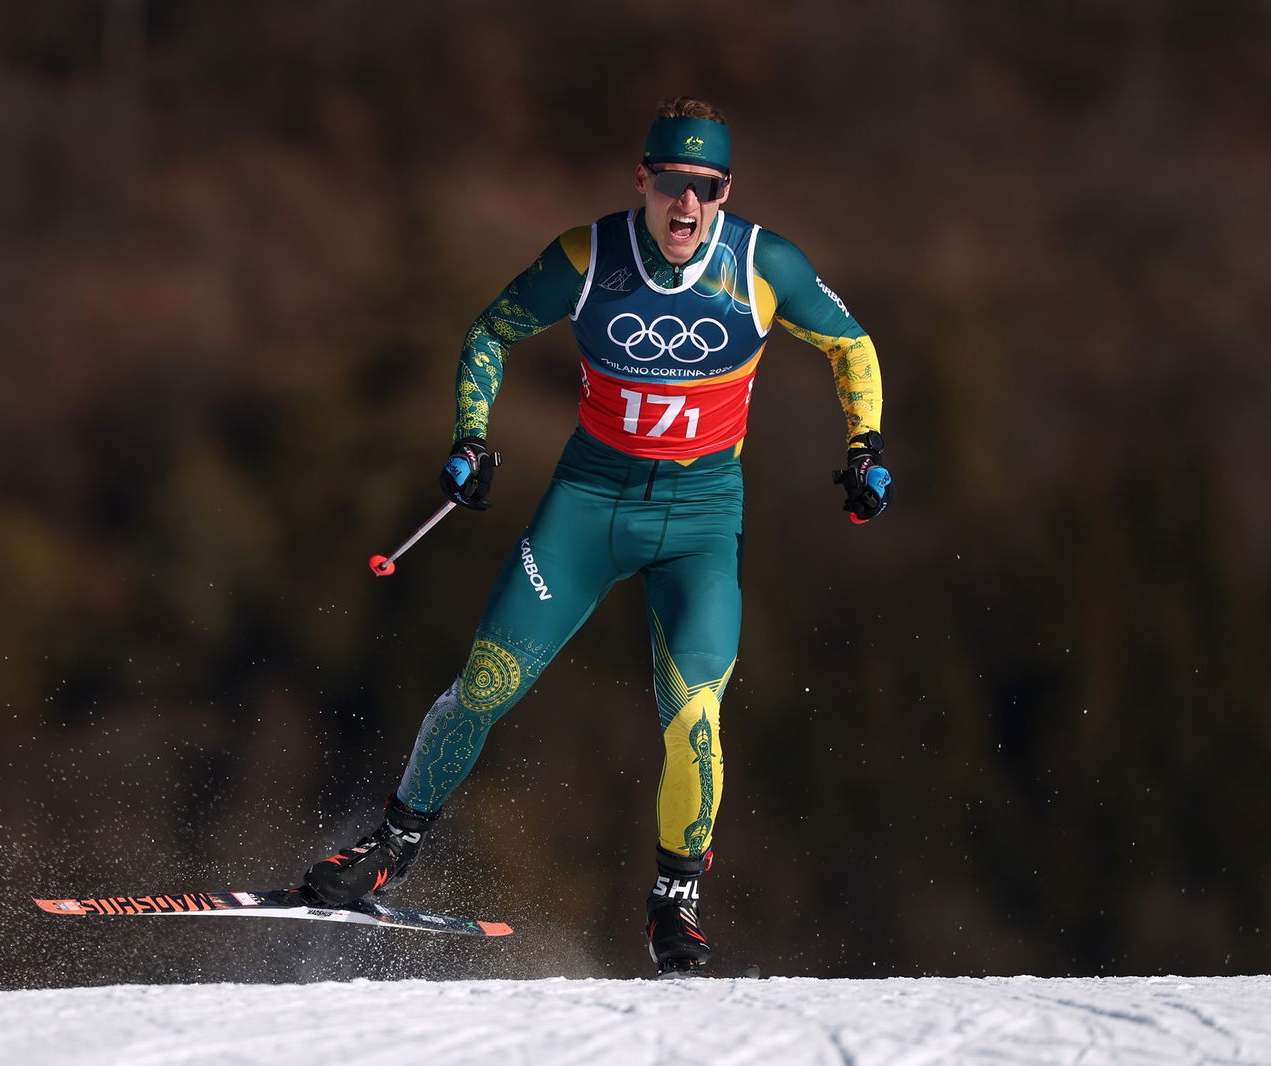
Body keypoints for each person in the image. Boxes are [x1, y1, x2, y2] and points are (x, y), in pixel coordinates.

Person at [301, 96, 890, 974]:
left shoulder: (765, 266)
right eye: (671, 185)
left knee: (695, 716)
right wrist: (470, 434)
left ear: (726, 192)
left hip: (699, 520)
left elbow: (854, 348)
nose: (686, 207)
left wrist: (865, 445)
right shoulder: (588, 257)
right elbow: (490, 332)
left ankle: (676, 902)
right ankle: (388, 847)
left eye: (707, 188)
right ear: (641, 179)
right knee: (486, 685)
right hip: (589, 503)